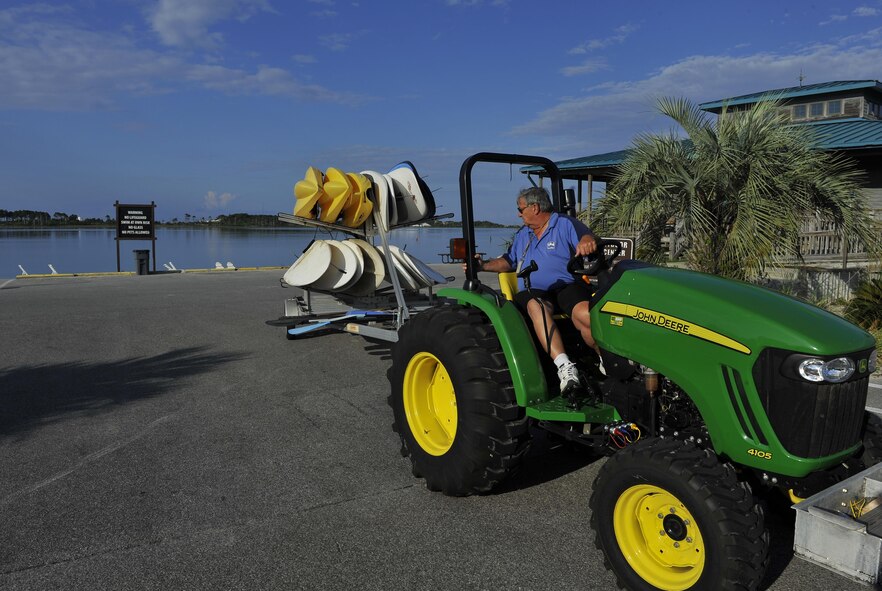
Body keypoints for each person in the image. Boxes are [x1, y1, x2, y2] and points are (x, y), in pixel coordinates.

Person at [468, 186, 602, 394]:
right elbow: (508, 262)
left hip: (565, 286)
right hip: (534, 290)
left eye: (520, 209)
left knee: (585, 314)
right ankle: (564, 367)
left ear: (535, 207)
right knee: (536, 306)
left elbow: (587, 238)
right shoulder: (523, 235)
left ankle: (604, 359)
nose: (518, 213)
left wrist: (587, 243)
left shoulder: (563, 224)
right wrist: (482, 265)